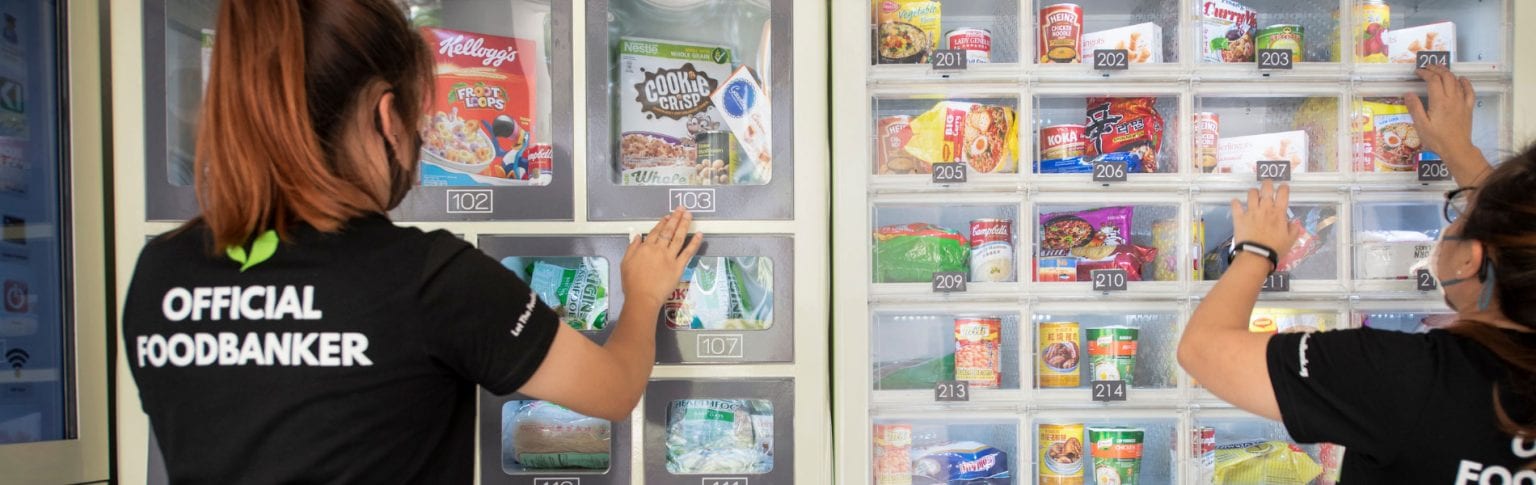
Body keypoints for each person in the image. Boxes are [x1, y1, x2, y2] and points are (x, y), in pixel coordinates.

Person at [121, 1, 702, 482]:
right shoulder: (431, 279)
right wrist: (645, 294)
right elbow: (615, 389)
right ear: (385, 116)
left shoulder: (160, 272)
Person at [1178, 65, 1535, 483]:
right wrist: (1460, 150)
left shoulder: (1405, 378)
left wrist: (1257, 250)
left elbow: (1202, 350)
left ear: (1472, 260)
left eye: (1458, 210)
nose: (1452, 220)